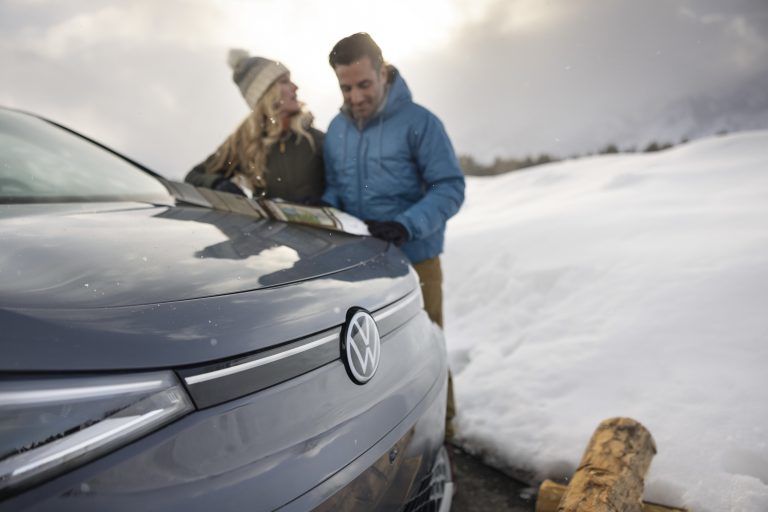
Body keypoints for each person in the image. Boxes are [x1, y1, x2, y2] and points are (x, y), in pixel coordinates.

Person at [323, 33, 465, 438]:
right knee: (370, 355)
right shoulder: (336, 129)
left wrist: (406, 224)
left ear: (383, 72)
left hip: (415, 259)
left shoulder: (420, 122)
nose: (355, 96)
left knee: (425, 346)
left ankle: (444, 433)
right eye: (345, 87)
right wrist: (327, 212)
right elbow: (335, 187)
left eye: (363, 84)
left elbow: (449, 187)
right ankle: (391, 435)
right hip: (359, 263)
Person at [185, 50, 324, 203]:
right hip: (269, 226)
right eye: (285, 81)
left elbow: (340, 187)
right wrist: (218, 184)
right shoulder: (244, 142)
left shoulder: (314, 138)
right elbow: (193, 176)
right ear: (266, 94)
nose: (295, 87)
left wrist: (323, 202)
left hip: (317, 225)